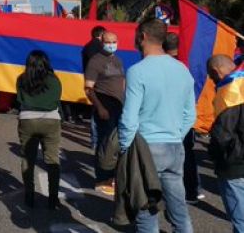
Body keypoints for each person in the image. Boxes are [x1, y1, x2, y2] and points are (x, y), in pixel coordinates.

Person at [119, 19, 195, 233]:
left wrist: (125, 148)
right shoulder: (182, 69)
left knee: (146, 211)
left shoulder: (137, 71)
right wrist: (176, 136)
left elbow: (129, 117)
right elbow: (190, 115)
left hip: (146, 148)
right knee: (179, 211)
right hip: (174, 146)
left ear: (142, 36)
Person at [16, 50, 62, 210]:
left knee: (28, 159)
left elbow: (19, 99)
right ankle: (53, 198)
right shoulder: (54, 80)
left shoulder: (21, 79)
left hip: (27, 119)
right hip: (51, 120)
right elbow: (57, 99)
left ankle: (29, 195)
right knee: (52, 160)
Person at [164, 32, 205, 204]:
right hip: (187, 117)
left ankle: (170, 195)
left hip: (168, 119)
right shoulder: (189, 64)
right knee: (187, 154)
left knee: (166, 159)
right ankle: (193, 190)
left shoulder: (165, 67)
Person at [84, 30, 125, 196]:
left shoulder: (117, 59)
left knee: (115, 145)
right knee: (104, 144)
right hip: (105, 109)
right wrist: (100, 107)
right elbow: (88, 88)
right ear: (102, 42)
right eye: (109, 42)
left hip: (119, 108)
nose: (112, 44)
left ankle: (112, 177)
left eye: (114, 41)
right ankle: (102, 179)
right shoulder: (95, 61)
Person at [207, 54, 244, 233]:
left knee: (240, 218)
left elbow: (223, 135)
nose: (212, 81)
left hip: (234, 164)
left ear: (217, 71)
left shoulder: (230, 92)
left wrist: (214, 153)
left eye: (211, 76)